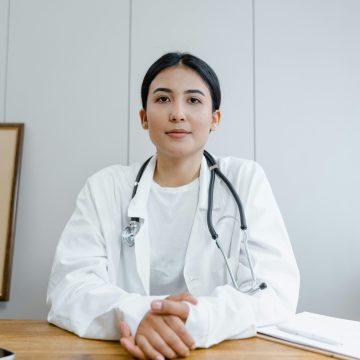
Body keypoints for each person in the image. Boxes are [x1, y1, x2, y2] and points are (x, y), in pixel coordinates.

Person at [47, 52, 300, 360]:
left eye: (193, 101)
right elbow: (68, 291)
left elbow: (275, 292)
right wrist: (139, 316)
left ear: (215, 119)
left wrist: (197, 320)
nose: (178, 113)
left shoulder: (244, 180)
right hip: (126, 352)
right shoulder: (105, 187)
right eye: (163, 99)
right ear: (143, 117)